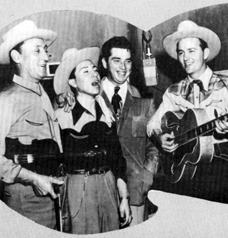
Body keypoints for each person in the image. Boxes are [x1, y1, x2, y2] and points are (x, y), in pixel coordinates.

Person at [57, 36, 159, 225]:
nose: (123, 67)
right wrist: (63, 97)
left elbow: (153, 145)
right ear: (104, 63)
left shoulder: (144, 99)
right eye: (116, 60)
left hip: (135, 191)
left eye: (128, 61)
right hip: (94, 189)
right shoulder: (90, 94)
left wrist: (147, 175)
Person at [146, 20, 228, 205]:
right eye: (181, 52)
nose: (186, 58)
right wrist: (160, 137)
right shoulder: (172, 91)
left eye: (192, 51)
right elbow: (152, 124)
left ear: (206, 53)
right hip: (185, 172)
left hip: (222, 168)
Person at [0, 20, 64, 229]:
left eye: (45, 50)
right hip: (27, 200)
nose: (45, 56)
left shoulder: (41, 94)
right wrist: (33, 179)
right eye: (37, 51)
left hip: (51, 194)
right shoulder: (5, 100)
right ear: (17, 57)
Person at [53, 47, 131, 234]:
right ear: (73, 82)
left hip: (108, 184)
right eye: (85, 71)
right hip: (79, 187)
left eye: (94, 69)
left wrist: (124, 198)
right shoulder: (61, 117)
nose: (94, 74)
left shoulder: (107, 112)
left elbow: (117, 160)